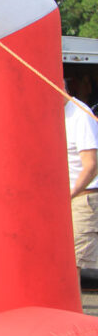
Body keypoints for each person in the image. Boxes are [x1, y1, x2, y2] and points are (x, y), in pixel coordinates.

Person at [64, 74, 98, 277]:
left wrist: (69, 194)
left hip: (82, 198)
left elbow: (91, 165)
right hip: (65, 200)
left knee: (72, 265)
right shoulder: (53, 114)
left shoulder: (80, 115)